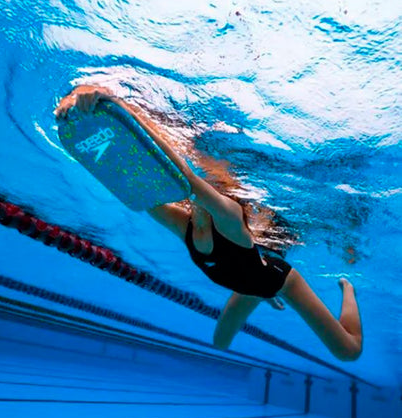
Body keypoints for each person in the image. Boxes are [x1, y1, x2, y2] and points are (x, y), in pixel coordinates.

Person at [55, 86, 363, 362]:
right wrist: (96, 100)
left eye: (210, 192)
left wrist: (115, 104)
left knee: (348, 351)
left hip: (277, 281)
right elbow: (139, 190)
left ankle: (347, 287)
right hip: (251, 279)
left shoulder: (230, 218)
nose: (193, 201)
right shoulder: (183, 224)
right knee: (220, 343)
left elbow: (182, 177)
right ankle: (264, 291)